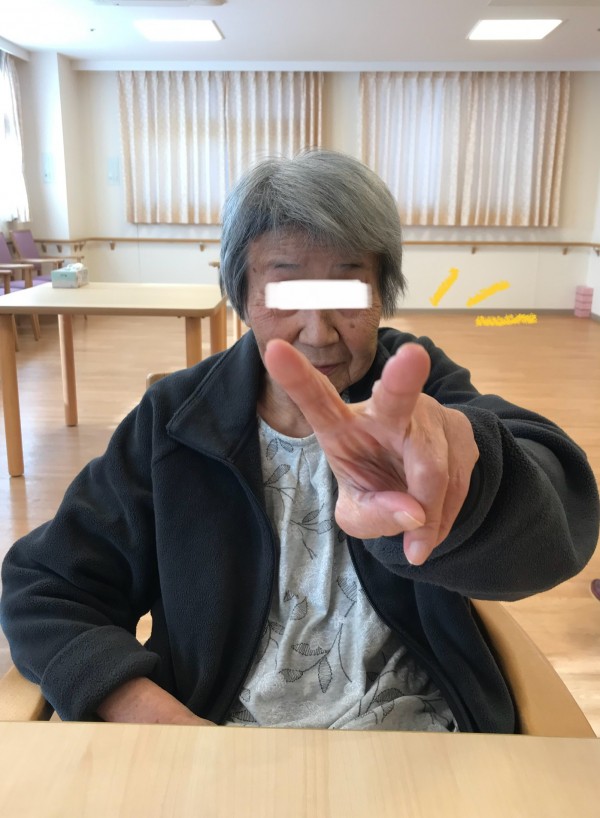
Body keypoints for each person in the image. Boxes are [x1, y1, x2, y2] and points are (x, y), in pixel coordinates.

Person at [1, 150, 598, 733]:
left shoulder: (418, 390)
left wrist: (461, 481)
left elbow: (553, 512)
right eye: (287, 292)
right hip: (215, 742)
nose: (319, 331)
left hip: (421, 739)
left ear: (383, 293)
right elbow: (44, 587)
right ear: (242, 294)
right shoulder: (175, 420)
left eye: (348, 290)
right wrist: (166, 725)